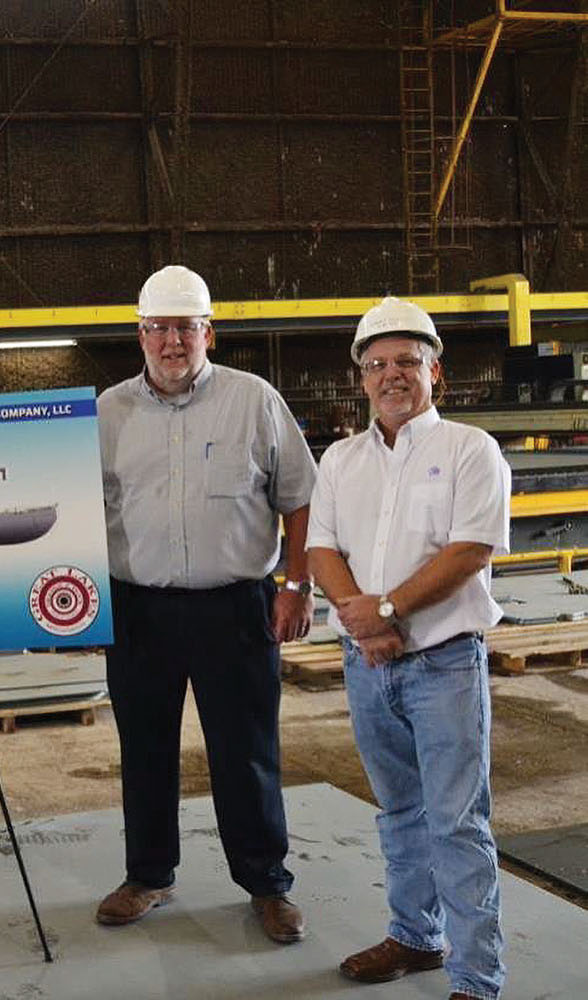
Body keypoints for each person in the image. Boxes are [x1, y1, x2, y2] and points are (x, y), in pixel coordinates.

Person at [95, 265, 316, 942]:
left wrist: (296, 584)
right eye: (158, 328)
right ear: (139, 335)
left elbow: (300, 496)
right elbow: (77, 509)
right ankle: (149, 875)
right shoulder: (106, 413)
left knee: (245, 750)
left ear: (208, 333)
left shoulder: (254, 401)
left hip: (236, 609)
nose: (171, 342)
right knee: (146, 748)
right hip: (139, 611)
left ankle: (266, 884)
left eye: (184, 328)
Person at [307, 297, 509, 1000]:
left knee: (456, 820)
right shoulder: (340, 459)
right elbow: (320, 548)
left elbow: (471, 550)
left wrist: (388, 609)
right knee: (399, 814)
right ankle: (416, 936)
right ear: (361, 378)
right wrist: (363, 623)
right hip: (368, 666)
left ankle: (477, 977)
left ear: (435, 373)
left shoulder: (469, 450)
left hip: (445, 663)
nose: (392, 376)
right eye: (378, 364)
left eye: (406, 363)